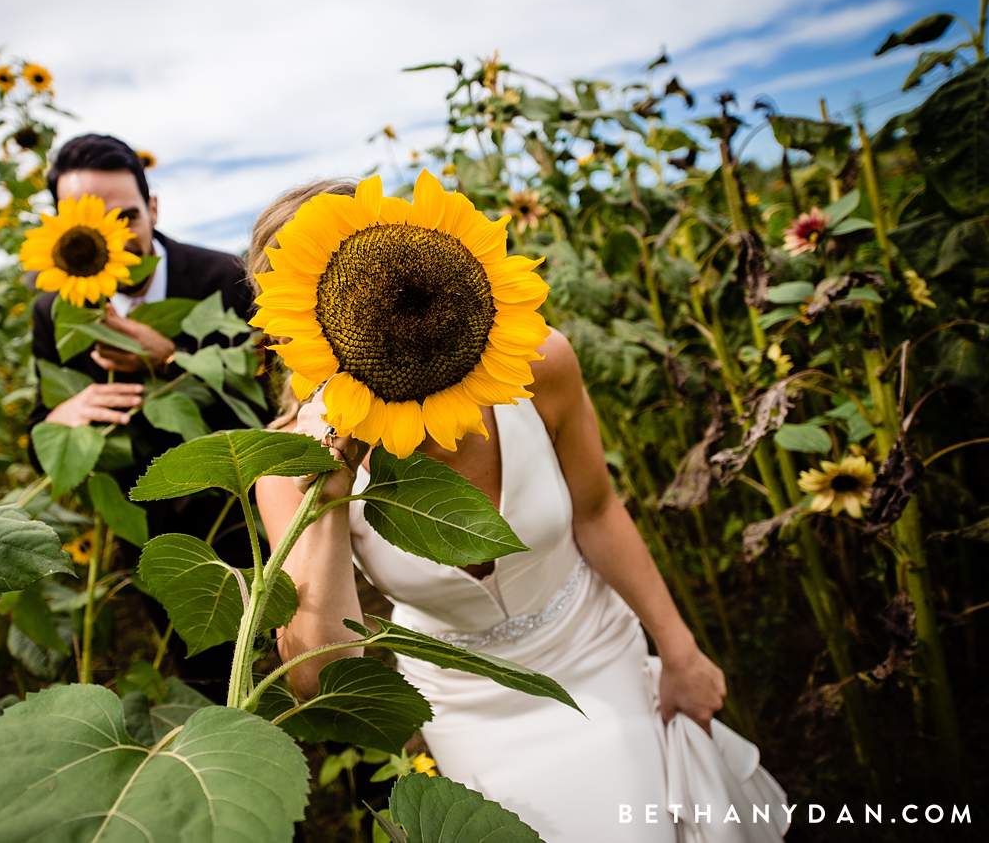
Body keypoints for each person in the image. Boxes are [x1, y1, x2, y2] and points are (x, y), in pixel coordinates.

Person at [251, 181, 787, 842]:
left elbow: (597, 510)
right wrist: (329, 493)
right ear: (301, 328)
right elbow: (318, 676)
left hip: (593, 652)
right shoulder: (288, 468)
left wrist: (680, 652)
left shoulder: (531, 363)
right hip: (461, 703)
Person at [26, 133, 260, 700]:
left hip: (241, 513)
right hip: (149, 527)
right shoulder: (55, 307)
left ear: (153, 209)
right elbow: (40, 435)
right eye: (85, 220)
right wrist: (63, 416)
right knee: (197, 672)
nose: (110, 235)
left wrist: (170, 357)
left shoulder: (223, 280)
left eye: (126, 215)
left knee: (272, 659)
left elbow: (265, 399)